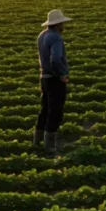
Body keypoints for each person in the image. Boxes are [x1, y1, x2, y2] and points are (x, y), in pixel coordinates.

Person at [34, 9, 72, 154]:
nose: (63, 26)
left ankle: (37, 142)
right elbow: (55, 59)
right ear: (57, 24)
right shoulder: (55, 37)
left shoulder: (42, 35)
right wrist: (62, 74)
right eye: (62, 23)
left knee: (45, 109)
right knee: (55, 112)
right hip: (54, 79)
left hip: (44, 77)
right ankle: (50, 147)